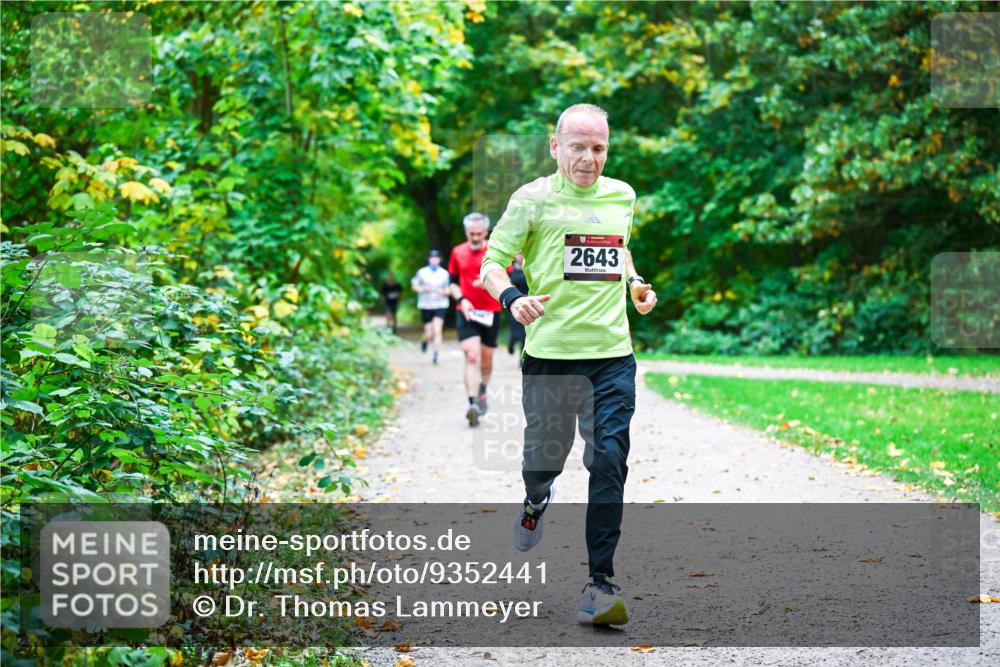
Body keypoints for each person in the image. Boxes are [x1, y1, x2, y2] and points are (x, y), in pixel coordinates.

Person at [480, 103, 657, 626]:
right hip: (552, 357)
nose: (589, 158)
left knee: (608, 460)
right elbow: (493, 262)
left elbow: (619, 250)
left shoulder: (622, 195)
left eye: (598, 148)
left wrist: (635, 284)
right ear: (555, 147)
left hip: (611, 357)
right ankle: (536, 498)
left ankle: (599, 583)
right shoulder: (531, 200)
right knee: (544, 461)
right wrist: (513, 299)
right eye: (577, 146)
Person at [447, 212, 502, 427]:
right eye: (472, 234)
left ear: (486, 233)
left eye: (479, 234)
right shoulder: (457, 252)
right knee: (471, 356)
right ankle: (472, 404)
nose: (476, 238)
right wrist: (461, 298)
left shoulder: (495, 251)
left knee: (486, 361)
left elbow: (504, 277)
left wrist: (488, 282)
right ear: (466, 233)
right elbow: (451, 283)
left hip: (491, 312)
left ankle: (482, 391)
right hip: (467, 311)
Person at [410, 250, 449, 365]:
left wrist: (443, 291)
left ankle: (436, 355)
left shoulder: (444, 273)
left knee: (437, 329)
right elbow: (414, 287)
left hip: (440, 304)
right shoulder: (421, 272)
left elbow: (448, 289)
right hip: (426, 305)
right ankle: (424, 340)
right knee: (429, 333)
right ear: (428, 259)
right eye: (432, 258)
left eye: (436, 258)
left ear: (439, 259)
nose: (434, 260)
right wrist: (422, 289)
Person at [506, 253, 527, 363]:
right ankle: (511, 342)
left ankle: (521, 359)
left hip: (528, 302)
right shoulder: (510, 269)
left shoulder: (529, 267)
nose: (520, 256)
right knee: (515, 331)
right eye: (519, 254)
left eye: (522, 254)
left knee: (524, 333)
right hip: (514, 302)